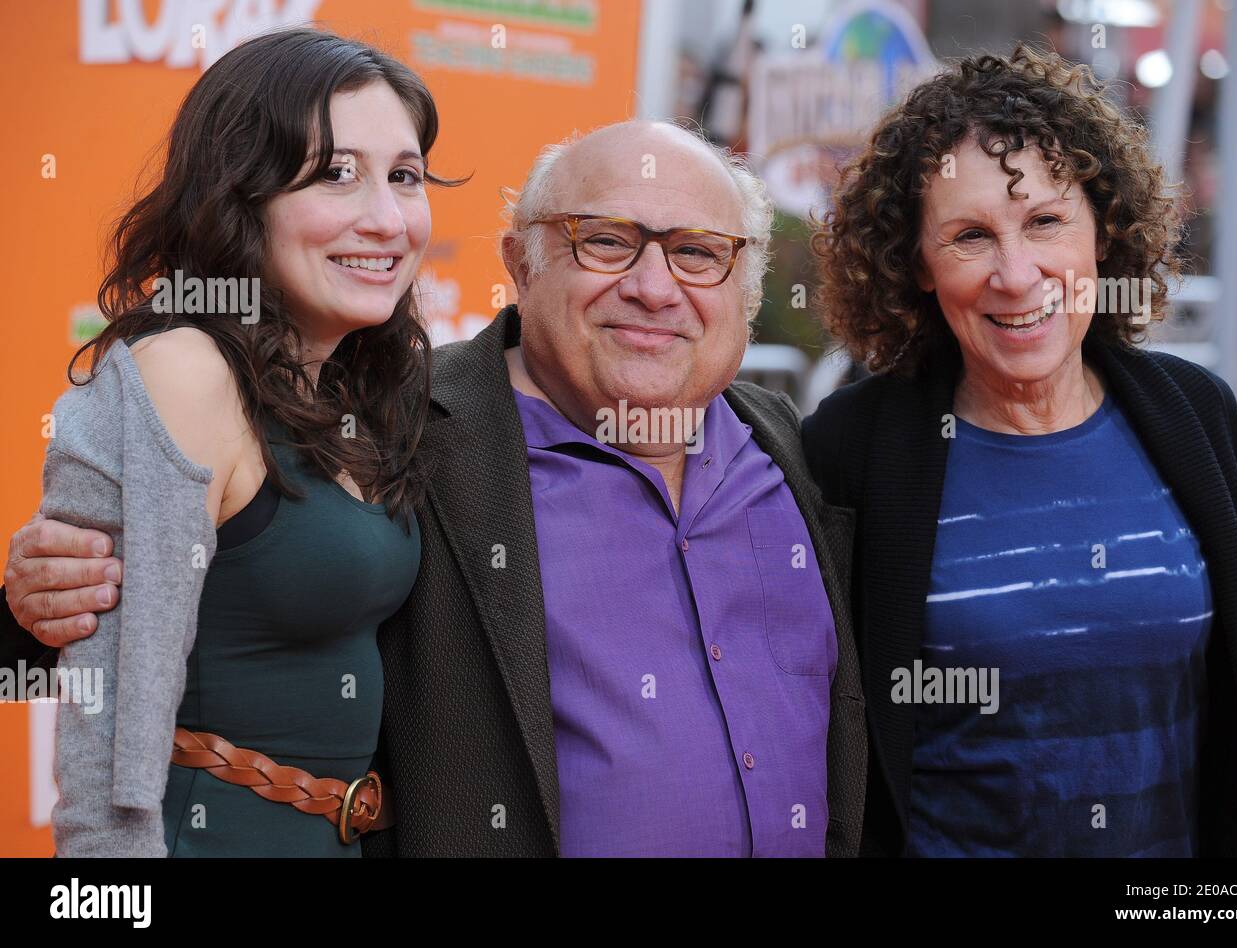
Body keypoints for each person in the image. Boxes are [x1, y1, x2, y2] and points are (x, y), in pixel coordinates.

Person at [5, 120, 869, 857]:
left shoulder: (792, 447)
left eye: (697, 254)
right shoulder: (388, 428)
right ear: (521, 264)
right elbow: (218, 610)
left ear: (746, 289)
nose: (652, 287)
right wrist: (38, 608)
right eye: (604, 239)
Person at [803, 45, 1237, 856]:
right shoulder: (854, 449)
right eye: (969, 236)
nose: (1017, 273)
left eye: (1044, 221)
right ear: (916, 265)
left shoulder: (1194, 415)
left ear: (1101, 232)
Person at [0, 27, 456, 856]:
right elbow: (104, 735)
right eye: (336, 175)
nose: (387, 219)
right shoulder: (186, 372)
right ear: (241, 195)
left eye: (404, 177)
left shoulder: (371, 385)